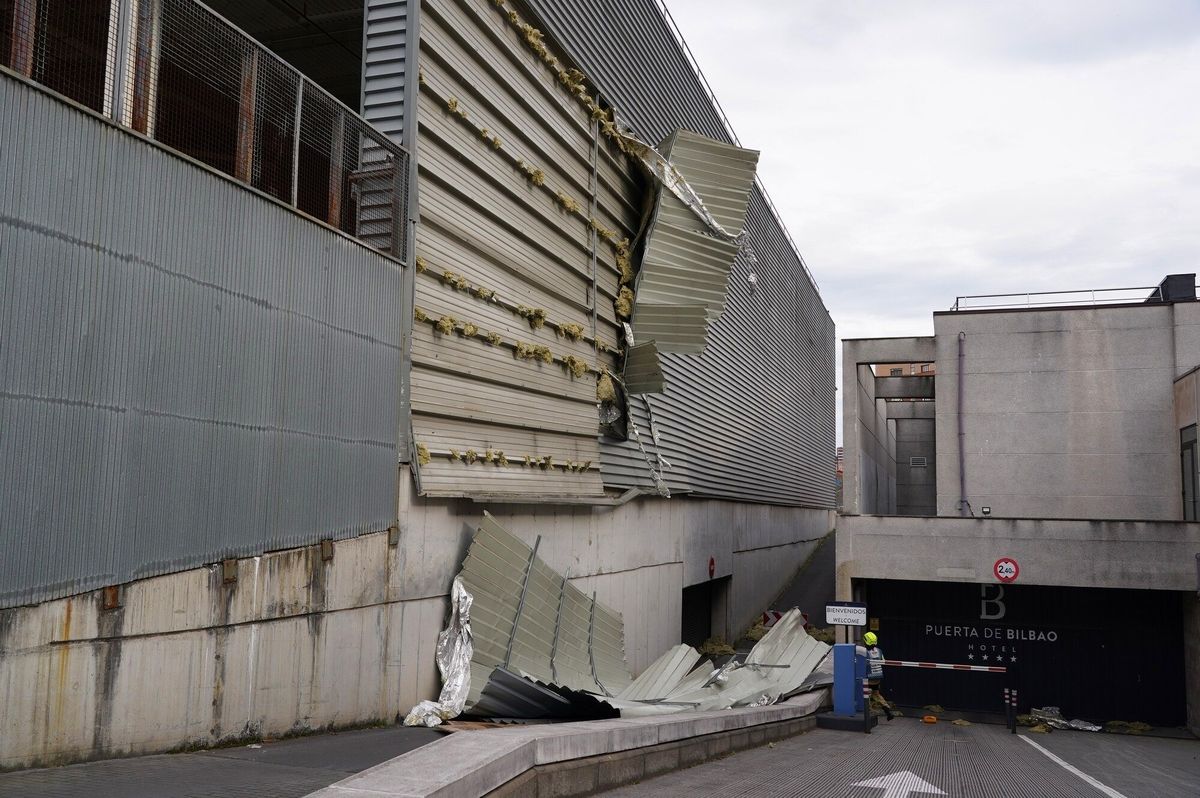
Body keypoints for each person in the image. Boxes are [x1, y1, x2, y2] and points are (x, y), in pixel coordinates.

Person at [860, 631, 894, 721]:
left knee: (866, 695)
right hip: (878, 677)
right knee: (877, 694)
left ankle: (867, 715)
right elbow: (883, 661)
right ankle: (887, 710)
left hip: (869, 678)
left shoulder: (864, 652)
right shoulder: (879, 650)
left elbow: (861, 664)